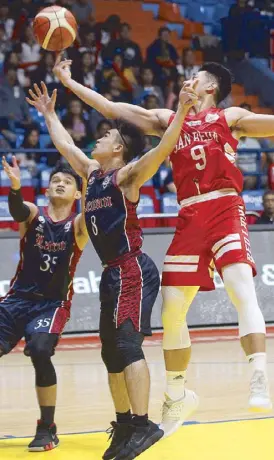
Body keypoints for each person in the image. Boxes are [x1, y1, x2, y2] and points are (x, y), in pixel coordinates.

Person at [53, 56, 274, 437]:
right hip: (189, 216)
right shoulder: (167, 120)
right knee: (172, 309)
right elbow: (110, 107)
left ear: (210, 89)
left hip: (224, 205)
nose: (187, 81)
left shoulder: (229, 116)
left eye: (194, 77)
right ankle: (177, 393)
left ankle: (258, 375)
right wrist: (69, 83)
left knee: (239, 285)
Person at [26, 79, 197, 460]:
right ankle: (123, 423)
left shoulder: (127, 176)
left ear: (118, 148)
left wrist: (183, 111)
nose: (98, 139)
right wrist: (51, 114)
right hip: (111, 273)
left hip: (132, 268)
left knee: (126, 346)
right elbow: (65, 145)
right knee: (110, 355)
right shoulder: (91, 174)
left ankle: (142, 423)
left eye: (106, 135)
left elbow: (163, 148)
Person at [0, 157, 88, 451]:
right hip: (17, 300)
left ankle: (47, 427)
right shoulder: (34, 215)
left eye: (67, 182)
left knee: (39, 349)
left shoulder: (77, 225)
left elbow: (94, 216)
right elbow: (17, 210)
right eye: (55, 181)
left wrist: (90, 183)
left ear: (77, 194)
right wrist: (15, 187)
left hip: (52, 304)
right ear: (46, 190)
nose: (60, 183)